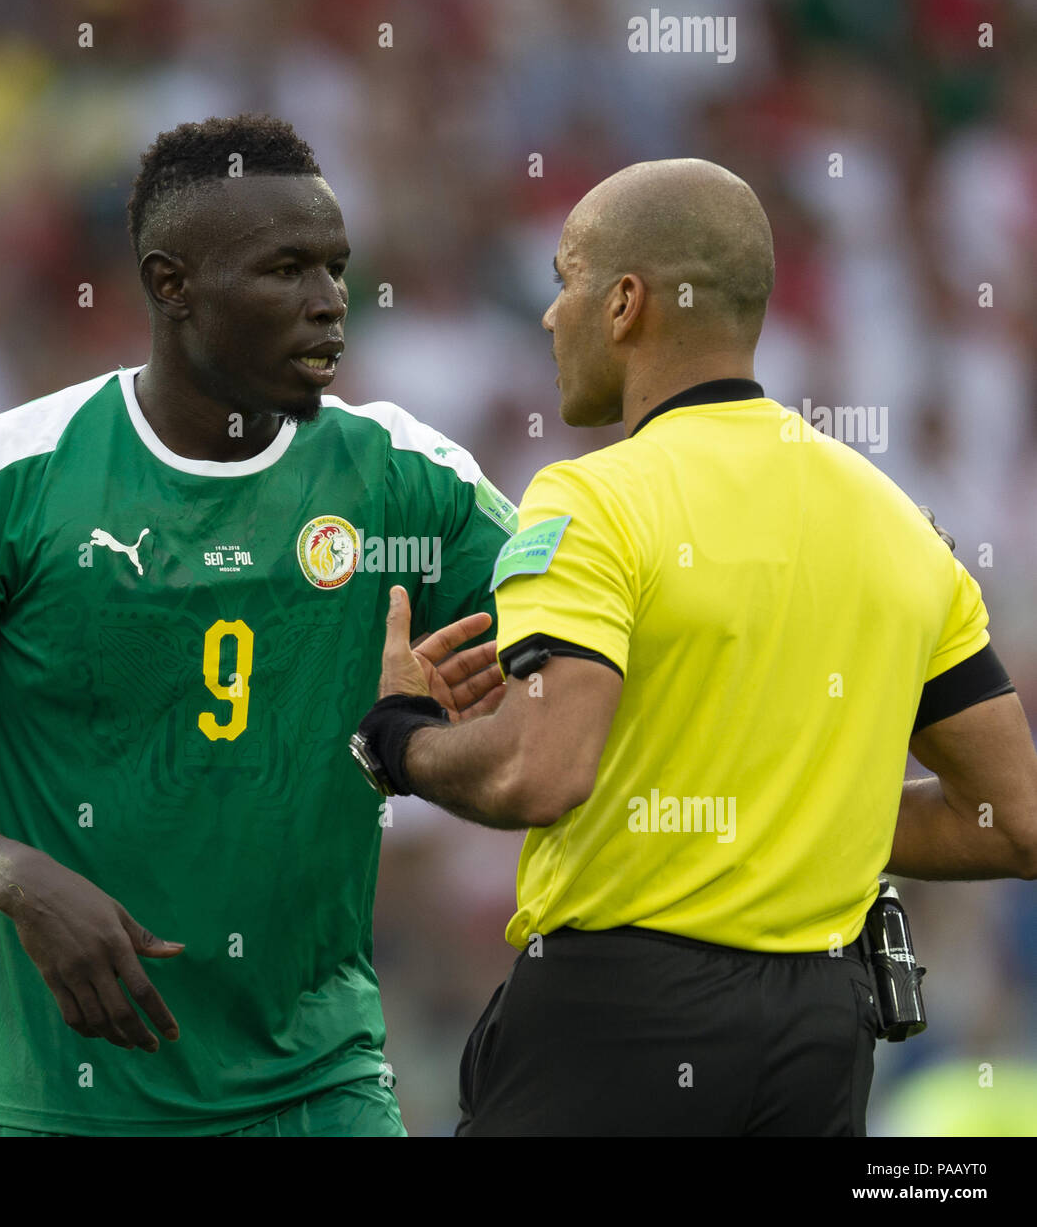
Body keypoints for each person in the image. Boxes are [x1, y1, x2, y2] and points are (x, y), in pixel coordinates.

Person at [0, 114, 514, 1137]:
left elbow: (570, 663)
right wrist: (15, 878)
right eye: (286, 269)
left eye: (336, 267)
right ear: (172, 284)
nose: (331, 302)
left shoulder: (404, 477)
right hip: (70, 1098)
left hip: (320, 1082)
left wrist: (438, 739)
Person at [351, 158, 1037, 1136]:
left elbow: (542, 772)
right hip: (821, 1039)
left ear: (625, 303)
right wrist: (788, 816)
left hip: (617, 1023)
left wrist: (398, 736)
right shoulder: (898, 524)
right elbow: (1013, 817)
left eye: (565, 281)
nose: (549, 317)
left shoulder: (592, 499)